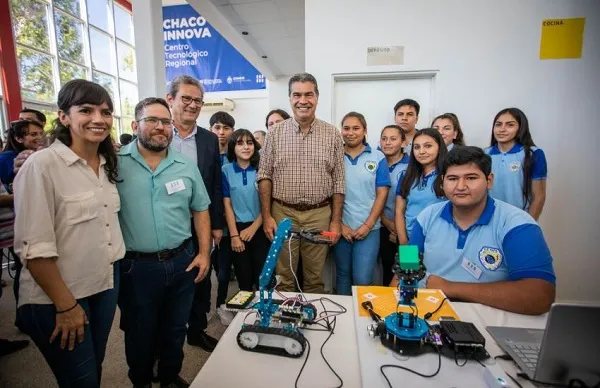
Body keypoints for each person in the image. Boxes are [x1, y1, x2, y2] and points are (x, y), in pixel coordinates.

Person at [13, 79, 125, 386]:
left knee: (93, 369)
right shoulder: (42, 166)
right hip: (58, 297)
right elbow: (34, 250)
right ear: (64, 117)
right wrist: (66, 306)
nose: (98, 119)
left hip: (102, 287)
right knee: (82, 380)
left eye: (106, 111)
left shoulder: (106, 165)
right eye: (86, 110)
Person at [392, 146, 555, 315]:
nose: (461, 186)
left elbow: (539, 296)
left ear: (489, 180)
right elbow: (406, 268)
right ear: (442, 182)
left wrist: (449, 288)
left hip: (488, 321)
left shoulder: (517, 224)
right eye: (453, 178)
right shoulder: (426, 217)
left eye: (471, 178)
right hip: (427, 315)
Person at [117, 97, 211, 388]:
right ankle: (141, 381)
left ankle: (169, 376)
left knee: (174, 328)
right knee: (140, 331)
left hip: (182, 261)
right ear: (135, 125)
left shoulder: (185, 164)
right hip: (136, 268)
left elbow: (201, 209)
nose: (160, 127)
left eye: (166, 121)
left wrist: (205, 253)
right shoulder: (114, 164)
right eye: (152, 121)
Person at [258, 73, 345, 293]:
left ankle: (312, 323)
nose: (303, 100)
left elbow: (338, 181)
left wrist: (335, 221)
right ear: (290, 98)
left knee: (315, 278)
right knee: (284, 277)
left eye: (309, 94)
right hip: (282, 214)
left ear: (317, 97)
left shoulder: (332, 134)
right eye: (297, 95)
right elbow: (264, 175)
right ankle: (286, 324)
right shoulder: (275, 133)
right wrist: (267, 216)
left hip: (319, 214)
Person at [165, 75, 222, 351]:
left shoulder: (210, 140)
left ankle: (196, 331)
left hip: (200, 222)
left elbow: (215, 184)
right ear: (170, 100)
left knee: (201, 279)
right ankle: (161, 343)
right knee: (168, 282)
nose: (192, 105)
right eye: (185, 98)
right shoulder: (159, 135)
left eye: (197, 100)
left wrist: (217, 225)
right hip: (165, 222)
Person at [334, 113, 389, 295]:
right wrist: (341, 226)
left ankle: (363, 320)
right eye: (346, 128)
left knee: (363, 279)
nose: (350, 133)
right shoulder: (334, 156)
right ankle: (343, 321)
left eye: (356, 128)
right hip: (342, 228)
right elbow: (327, 194)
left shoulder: (378, 157)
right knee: (342, 275)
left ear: (364, 131)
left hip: (369, 229)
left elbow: (382, 194)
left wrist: (368, 225)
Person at [223, 129, 270, 294]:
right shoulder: (225, 170)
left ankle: (264, 315)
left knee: (263, 278)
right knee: (244, 280)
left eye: (250, 143)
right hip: (237, 230)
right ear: (232, 147)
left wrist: (253, 227)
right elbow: (227, 205)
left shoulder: (262, 169)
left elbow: (268, 203)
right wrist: (234, 236)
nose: (246, 147)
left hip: (261, 228)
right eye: (240, 143)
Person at [484, 108, 547, 220]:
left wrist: (528, 224)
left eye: (510, 125)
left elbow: (539, 197)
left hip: (519, 219)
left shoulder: (534, 154)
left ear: (520, 128)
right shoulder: (484, 154)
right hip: (489, 220)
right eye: (498, 124)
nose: (502, 129)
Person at [395, 128, 447, 245]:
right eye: (417, 147)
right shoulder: (406, 175)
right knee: (409, 264)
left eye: (428, 146)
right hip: (409, 240)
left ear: (439, 148)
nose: (421, 151)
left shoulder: (448, 175)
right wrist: (403, 242)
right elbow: (399, 211)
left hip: (439, 241)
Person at [209, 111, 235, 325]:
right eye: (217, 128)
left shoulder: (236, 156)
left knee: (224, 270)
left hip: (230, 223)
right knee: (210, 268)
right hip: (206, 220)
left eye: (226, 128)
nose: (221, 132)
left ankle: (222, 304)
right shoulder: (206, 154)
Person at [0, 177, 29, 358]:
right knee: (22, 273)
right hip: (9, 231)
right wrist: (17, 195)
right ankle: (24, 317)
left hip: (9, 232)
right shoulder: (11, 159)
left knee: (21, 271)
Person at [379, 125, 409, 285]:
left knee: (409, 272)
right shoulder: (376, 162)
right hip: (384, 227)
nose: (388, 143)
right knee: (388, 271)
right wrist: (387, 223)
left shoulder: (413, 166)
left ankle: (410, 307)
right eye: (384, 139)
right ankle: (389, 307)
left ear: (403, 143)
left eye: (393, 139)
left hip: (408, 233)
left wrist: (399, 230)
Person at [0, 119, 44, 185]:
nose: (40, 137)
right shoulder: (4, 158)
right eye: (33, 134)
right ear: (18, 138)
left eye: (41, 134)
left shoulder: (40, 153)